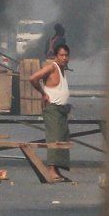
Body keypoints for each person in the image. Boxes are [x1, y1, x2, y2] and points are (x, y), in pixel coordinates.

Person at [27, 44, 72, 177]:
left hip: (62, 110)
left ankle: (57, 169)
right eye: (61, 55)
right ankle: (51, 170)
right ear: (56, 56)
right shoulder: (52, 67)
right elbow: (33, 78)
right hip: (52, 109)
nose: (64, 58)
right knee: (54, 138)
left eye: (66, 55)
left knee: (62, 138)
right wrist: (43, 93)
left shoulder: (63, 70)